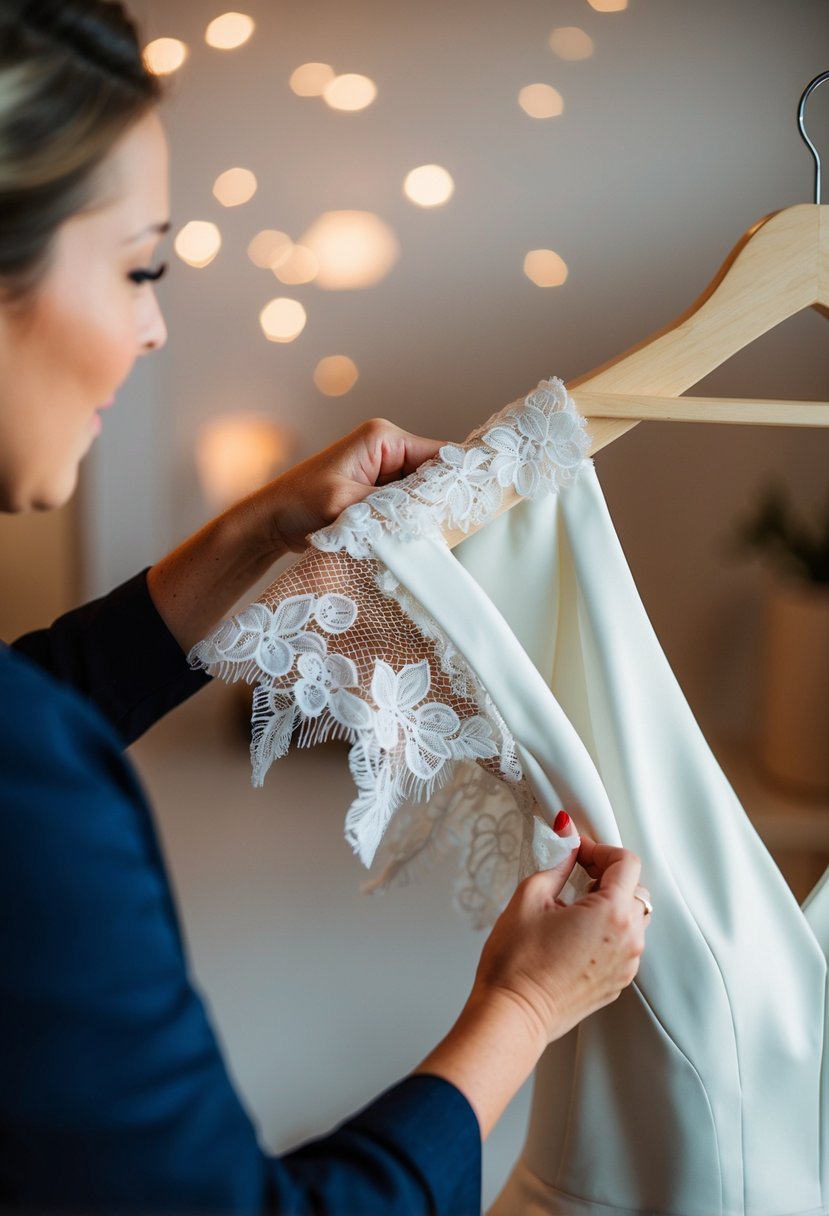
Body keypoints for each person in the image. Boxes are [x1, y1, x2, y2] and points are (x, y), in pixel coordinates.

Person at [0, 2, 651, 1211]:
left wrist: (253, 529)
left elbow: (35, 695)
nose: (153, 329)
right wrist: (519, 1008)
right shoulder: (30, 794)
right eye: (140, 268)